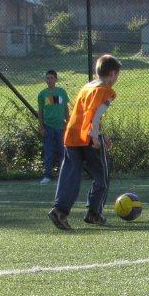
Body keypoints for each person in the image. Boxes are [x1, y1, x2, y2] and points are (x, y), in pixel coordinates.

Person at [49, 55, 120, 231]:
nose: (117, 78)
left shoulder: (87, 87)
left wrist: (100, 133)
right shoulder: (106, 90)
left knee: (70, 177)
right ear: (112, 73)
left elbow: (83, 114)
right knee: (101, 177)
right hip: (89, 137)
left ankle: (59, 211)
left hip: (72, 135)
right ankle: (94, 213)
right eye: (117, 74)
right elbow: (95, 115)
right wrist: (95, 136)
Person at [36, 69, 69, 184]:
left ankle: (62, 177)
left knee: (62, 152)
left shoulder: (62, 92)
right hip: (48, 126)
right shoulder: (42, 94)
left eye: (51, 78)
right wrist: (41, 126)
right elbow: (40, 111)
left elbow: (65, 108)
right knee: (48, 152)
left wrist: (68, 123)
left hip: (60, 126)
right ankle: (47, 176)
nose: (49, 80)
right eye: (47, 78)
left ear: (56, 79)